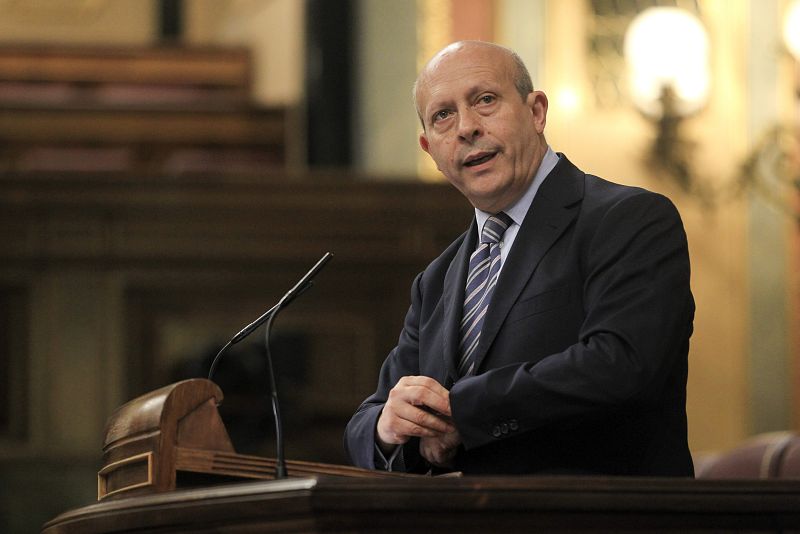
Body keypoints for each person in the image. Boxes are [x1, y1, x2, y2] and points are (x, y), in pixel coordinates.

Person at [343, 41, 695, 476]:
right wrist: (388, 427)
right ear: (429, 149)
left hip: (600, 507)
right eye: (443, 115)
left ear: (537, 112)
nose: (466, 128)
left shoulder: (628, 219)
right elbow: (367, 422)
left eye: (485, 100)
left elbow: (621, 364)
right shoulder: (436, 280)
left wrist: (463, 413)